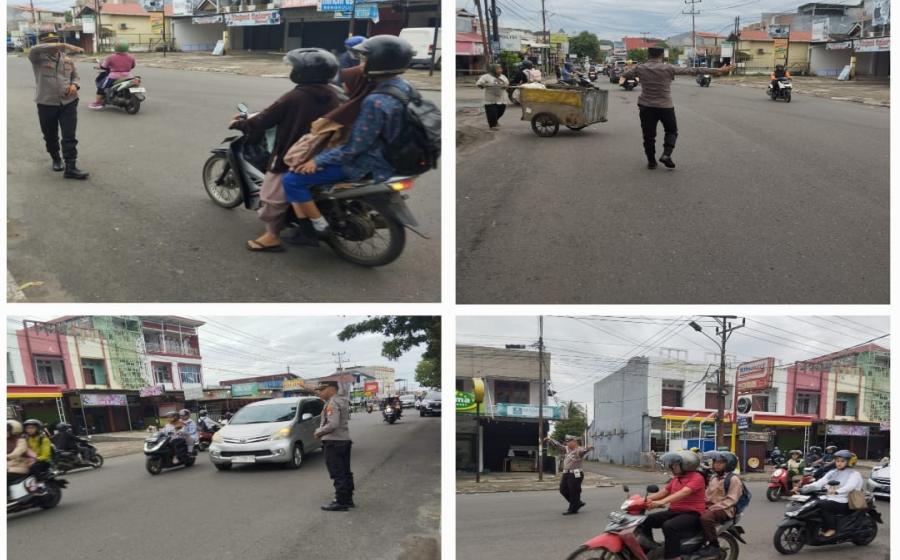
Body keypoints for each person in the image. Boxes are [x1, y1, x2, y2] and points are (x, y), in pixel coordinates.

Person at [283, 35, 418, 228]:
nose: (360, 63)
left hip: (369, 162)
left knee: (292, 179)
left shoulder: (376, 100)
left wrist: (316, 160)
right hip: (397, 156)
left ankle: (318, 226)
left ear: (379, 62)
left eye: (364, 59)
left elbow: (354, 148)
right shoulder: (405, 87)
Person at [230, 48, 341, 252]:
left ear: (303, 72)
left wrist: (240, 124)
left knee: (271, 196)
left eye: (294, 67)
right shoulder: (332, 93)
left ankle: (271, 236)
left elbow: (265, 119)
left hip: (292, 153)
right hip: (321, 152)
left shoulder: (296, 96)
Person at [618, 47, 732, 169]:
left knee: (648, 135)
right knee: (671, 131)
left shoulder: (640, 68)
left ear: (648, 55)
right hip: (665, 106)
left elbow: (624, 74)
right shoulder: (668, 68)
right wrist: (717, 70)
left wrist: (629, 70)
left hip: (646, 106)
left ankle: (651, 161)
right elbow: (693, 70)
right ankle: (666, 155)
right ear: (661, 55)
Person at [27, 39, 89, 179]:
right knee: (50, 135)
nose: (56, 46)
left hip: (68, 102)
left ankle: (71, 167)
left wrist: (75, 85)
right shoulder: (37, 58)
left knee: (69, 136)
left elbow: (75, 76)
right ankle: (56, 158)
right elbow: (34, 49)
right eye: (52, 43)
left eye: (57, 42)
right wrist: (63, 45)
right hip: (46, 103)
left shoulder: (67, 59)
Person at [640, 450, 707, 560]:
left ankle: (674, 556)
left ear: (686, 465)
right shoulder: (676, 478)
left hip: (692, 513)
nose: (672, 466)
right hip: (675, 511)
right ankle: (649, 550)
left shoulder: (697, 477)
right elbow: (663, 492)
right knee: (645, 520)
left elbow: (683, 492)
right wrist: (642, 500)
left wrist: (661, 502)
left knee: (669, 526)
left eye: (676, 464)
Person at [799, 450, 862, 538]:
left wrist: (837, 491)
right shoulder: (833, 472)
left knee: (822, 505)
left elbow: (850, 486)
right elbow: (820, 482)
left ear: (849, 462)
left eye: (842, 461)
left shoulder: (854, 474)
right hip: (831, 498)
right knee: (811, 502)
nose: (839, 463)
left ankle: (831, 529)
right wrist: (805, 487)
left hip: (846, 501)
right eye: (837, 461)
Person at [314, 381, 354, 511]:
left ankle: (340, 502)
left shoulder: (332, 403)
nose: (319, 392)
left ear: (331, 389)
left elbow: (332, 424)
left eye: (321, 390)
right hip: (343, 440)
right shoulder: (342, 400)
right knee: (345, 472)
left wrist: (318, 432)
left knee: (337, 473)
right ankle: (348, 499)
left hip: (333, 442)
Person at [696, 451, 743, 558]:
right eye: (715, 462)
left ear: (729, 464)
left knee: (706, 518)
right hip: (712, 507)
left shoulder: (733, 479)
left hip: (725, 509)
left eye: (720, 463)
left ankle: (714, 545)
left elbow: (731, 500)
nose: (716, 464)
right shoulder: (714, 477)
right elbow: (707, 495)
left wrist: (711, 508)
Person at [544, 435, 594, 515]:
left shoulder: (579, 450)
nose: (567, 443)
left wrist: (588, 448)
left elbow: (583, 451)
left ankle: (573, 509)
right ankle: (577, 503)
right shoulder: (566, 449)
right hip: (566, 473)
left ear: (574, 442)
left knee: (574, 491)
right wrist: (550, 440)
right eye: (567, 442)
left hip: (575, 474)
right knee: (562, 489)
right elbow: (558, 446)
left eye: (569, 441)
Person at [89, 40, 136, 109]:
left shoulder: (110, 57)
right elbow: (133, 66)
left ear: (115, 47)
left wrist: (99, 66)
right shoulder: (131, 57)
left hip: (114, 76)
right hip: (128, 76)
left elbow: (104, 66)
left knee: (101, 87)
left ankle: (98, 103)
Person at [476, 63, 509, 130]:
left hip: (501, 97)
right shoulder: (486, 77)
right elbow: (479, 83)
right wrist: (482, 85)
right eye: (498, 69)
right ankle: (492, 125)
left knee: (501, 111)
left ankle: (495, 121)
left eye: (500, 69)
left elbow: (507, 83)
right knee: (492, 113)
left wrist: (506, 86)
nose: (500, 70)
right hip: (490, 98)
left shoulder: (503, 76)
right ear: (493, 69)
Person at [7, 420, 30, 485]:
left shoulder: (21, 441)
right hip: (9, 467)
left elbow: (17, 452)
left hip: (18, 467)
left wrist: (7, 457)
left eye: (7, 430)